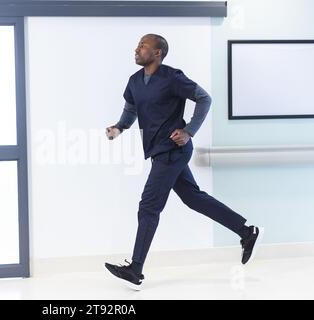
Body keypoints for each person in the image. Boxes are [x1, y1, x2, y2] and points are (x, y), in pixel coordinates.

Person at [104, 34, 263, 290]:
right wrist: (119, 127)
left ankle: (135, 269)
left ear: (157, 53)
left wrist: (189, 130)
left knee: (148, 206)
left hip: (173, 150)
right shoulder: (134, 81)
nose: (136, 49)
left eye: (142, 46)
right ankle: (247, 232)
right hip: (158, 152)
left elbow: (204, 98)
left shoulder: (172, 77)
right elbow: (131, 108)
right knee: (193, 198)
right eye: (137, 45)